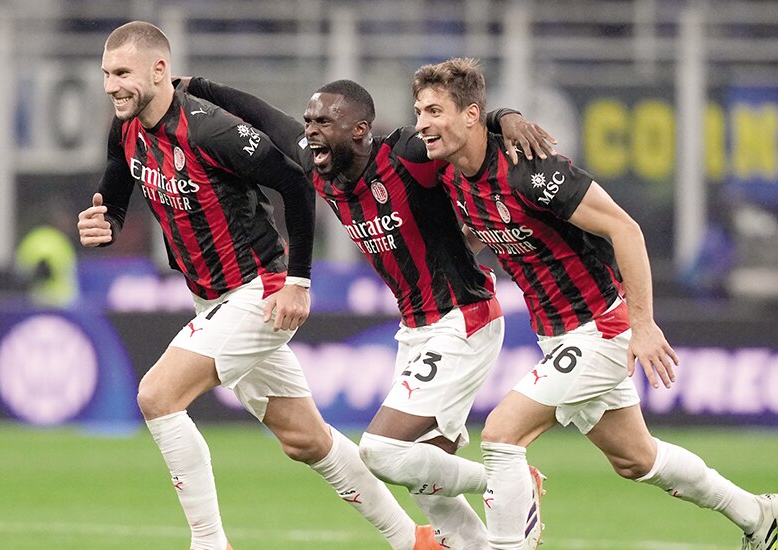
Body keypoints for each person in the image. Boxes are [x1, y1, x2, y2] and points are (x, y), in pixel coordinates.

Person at [78, 21, 437, 550]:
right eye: (107, 73)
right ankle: (415, 540)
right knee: (305, 440)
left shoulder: (210, 129)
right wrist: (104, 219)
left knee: (157, 396)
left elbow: (296, 181)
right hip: (211, 298)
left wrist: (298, 281)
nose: (111, 85)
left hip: (258, 292)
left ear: (160, 70)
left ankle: (208, 542)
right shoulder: (126, 125)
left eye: (122, 73)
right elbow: (119, 169)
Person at [411, 57, 778, 550]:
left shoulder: (531, 170)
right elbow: (483, 226)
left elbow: (625, 228)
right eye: (419, 112)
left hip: (601, 329)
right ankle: (758, 514)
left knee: (501, 436)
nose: (422, 124)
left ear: (471, 114)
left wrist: (643, 325)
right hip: (557, 334)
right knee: (637, 460)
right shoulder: (451, 173)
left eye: (434, 111)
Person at [184, 76, 553, 548]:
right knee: (426, 480)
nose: (312, 130)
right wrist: (196, 87)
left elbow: (464, 131)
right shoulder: (320, 167)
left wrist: (505, 117)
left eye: (325, 121)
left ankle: (508, 484)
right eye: (309, 121)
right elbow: (261, 114)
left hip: (464, 318)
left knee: (380, 451)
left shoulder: (406, 156)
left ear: (360, 130)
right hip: (417, 328)